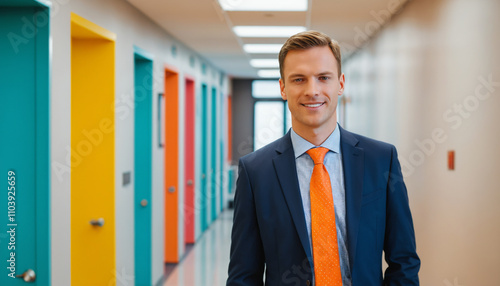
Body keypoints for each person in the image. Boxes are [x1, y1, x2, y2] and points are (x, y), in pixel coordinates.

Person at [227, 30, 420, 286]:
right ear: (283, 87)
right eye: (298, 79)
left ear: (340, 83)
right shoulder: (255, 171)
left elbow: (404, 261)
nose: (312, 90)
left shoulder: (381, 160)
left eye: (323, 78)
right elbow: (243, 275)